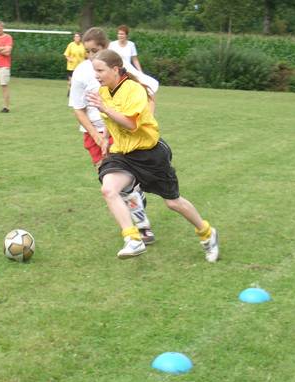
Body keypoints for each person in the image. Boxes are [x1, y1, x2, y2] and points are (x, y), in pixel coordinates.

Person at [86, 49, 219, 261]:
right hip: (123, 155)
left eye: (100, 70)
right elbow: (110, 121)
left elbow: (130, 124)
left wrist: (105, 108)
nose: (96, 75)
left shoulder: (134, 90)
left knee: (173, 202)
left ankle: (207, 233)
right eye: (95, 71)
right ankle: (133, 239)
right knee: (109, 190)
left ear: (115, 69)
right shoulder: (103, 92)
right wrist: (104, 137)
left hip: (150, 155)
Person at [69, 27, 155, 245]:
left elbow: (150, 89)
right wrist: (96, 136)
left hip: (116, 131)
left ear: (105, 47)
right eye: (87, 51)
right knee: (109, 183)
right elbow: (78, 109)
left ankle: (142, 228)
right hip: (92, 134)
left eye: (94, 50)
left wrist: (143, 118)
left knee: (120, 186)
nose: (90, 56)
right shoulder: (80, 73)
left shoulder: (117, 68)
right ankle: (134, 220)